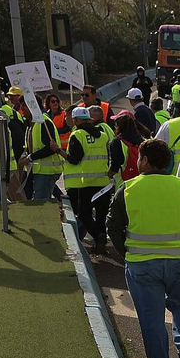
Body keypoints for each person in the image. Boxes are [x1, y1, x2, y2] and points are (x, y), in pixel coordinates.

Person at [107, 140, 180, 358]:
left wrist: (127, 253)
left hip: (141, 264)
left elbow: (112, 225)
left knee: (151, 317)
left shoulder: (128, 188)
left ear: (144, 160)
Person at [64, 106, 116, 250]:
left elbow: (74, 159)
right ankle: (101, 245)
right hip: (103, 181)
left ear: (76, 119)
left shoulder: (77, 135)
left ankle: (98, 235)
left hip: (86, 182)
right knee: (101, 214)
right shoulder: (102, 135)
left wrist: (58, 150)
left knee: (84, 214)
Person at [24, 100, 65, 202]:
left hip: (48, 171)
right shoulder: (32, 124)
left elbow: (50, 148)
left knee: (41, 202)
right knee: (40, 201)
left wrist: (30, 157)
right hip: (40, 170)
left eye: (24, 107)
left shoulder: (44, 122)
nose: (22, 110)